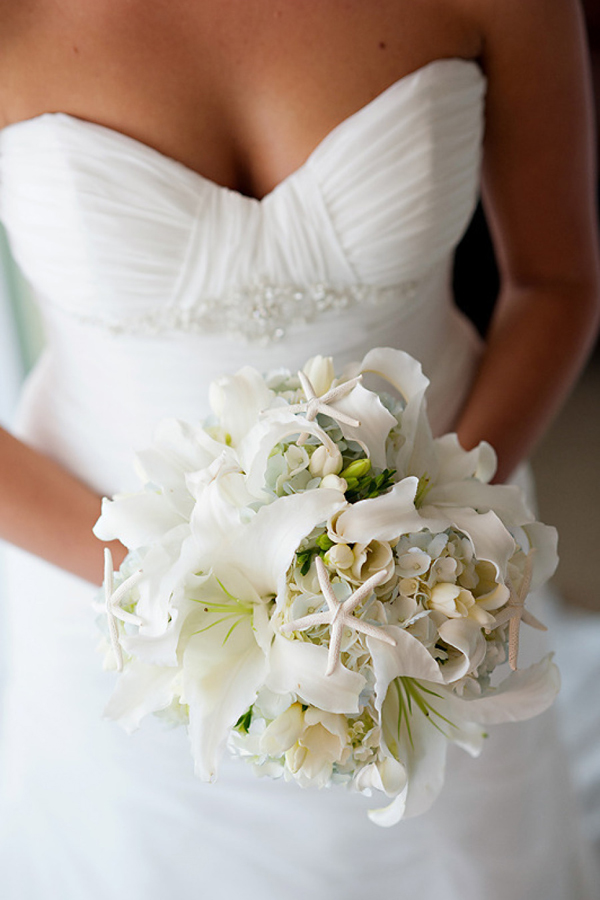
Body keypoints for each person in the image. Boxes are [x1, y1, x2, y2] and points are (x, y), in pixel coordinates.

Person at [0, 1, 598, 897]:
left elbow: (556, 282)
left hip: (435, 592)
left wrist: (415, 544)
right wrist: (180, 593)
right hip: (99, 594)